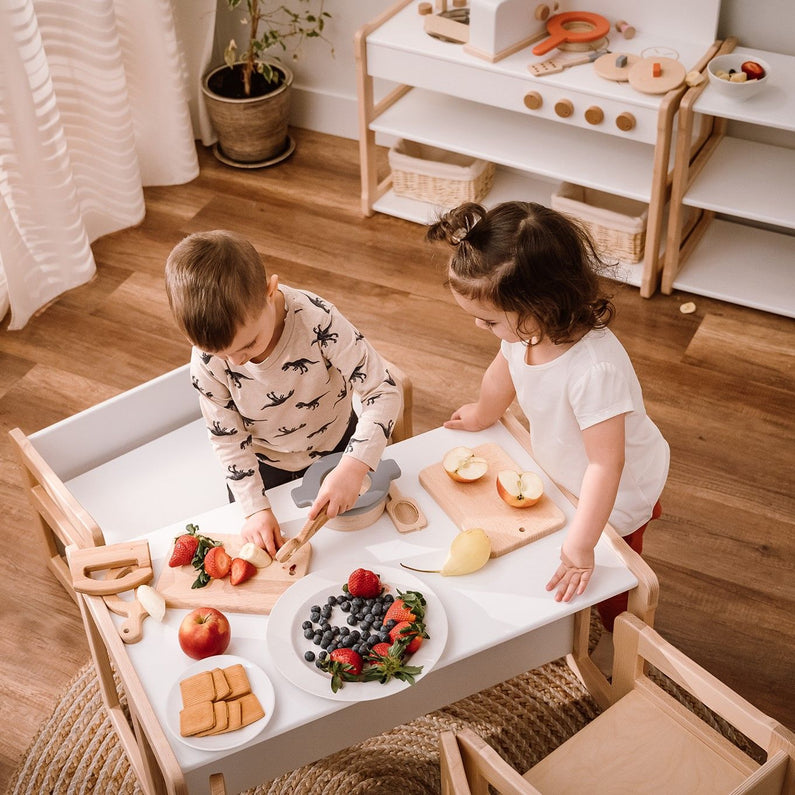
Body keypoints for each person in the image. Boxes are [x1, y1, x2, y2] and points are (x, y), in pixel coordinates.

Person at [427, 201, 669, 672]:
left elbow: (606, 464)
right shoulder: (524, 330)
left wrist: (581, 547)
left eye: (490, 320)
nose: (483, 328)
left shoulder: (593, 368)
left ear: (540, 306)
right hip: (568, 472)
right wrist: (484, 410)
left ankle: (629, 647)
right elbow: (504, 369)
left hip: (616, 493)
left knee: (611, 580)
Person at [165, 230, 403, 557]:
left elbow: (383, 390)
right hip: (262, 465)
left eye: (248, 345)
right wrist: (254, 509)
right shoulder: (207, 360)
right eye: (222, 354)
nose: (236, 362)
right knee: (264, 552)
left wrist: (355, 465)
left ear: (269, 290)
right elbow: (226, 438)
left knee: (351, 550)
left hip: (337, 446)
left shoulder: (319, 321)